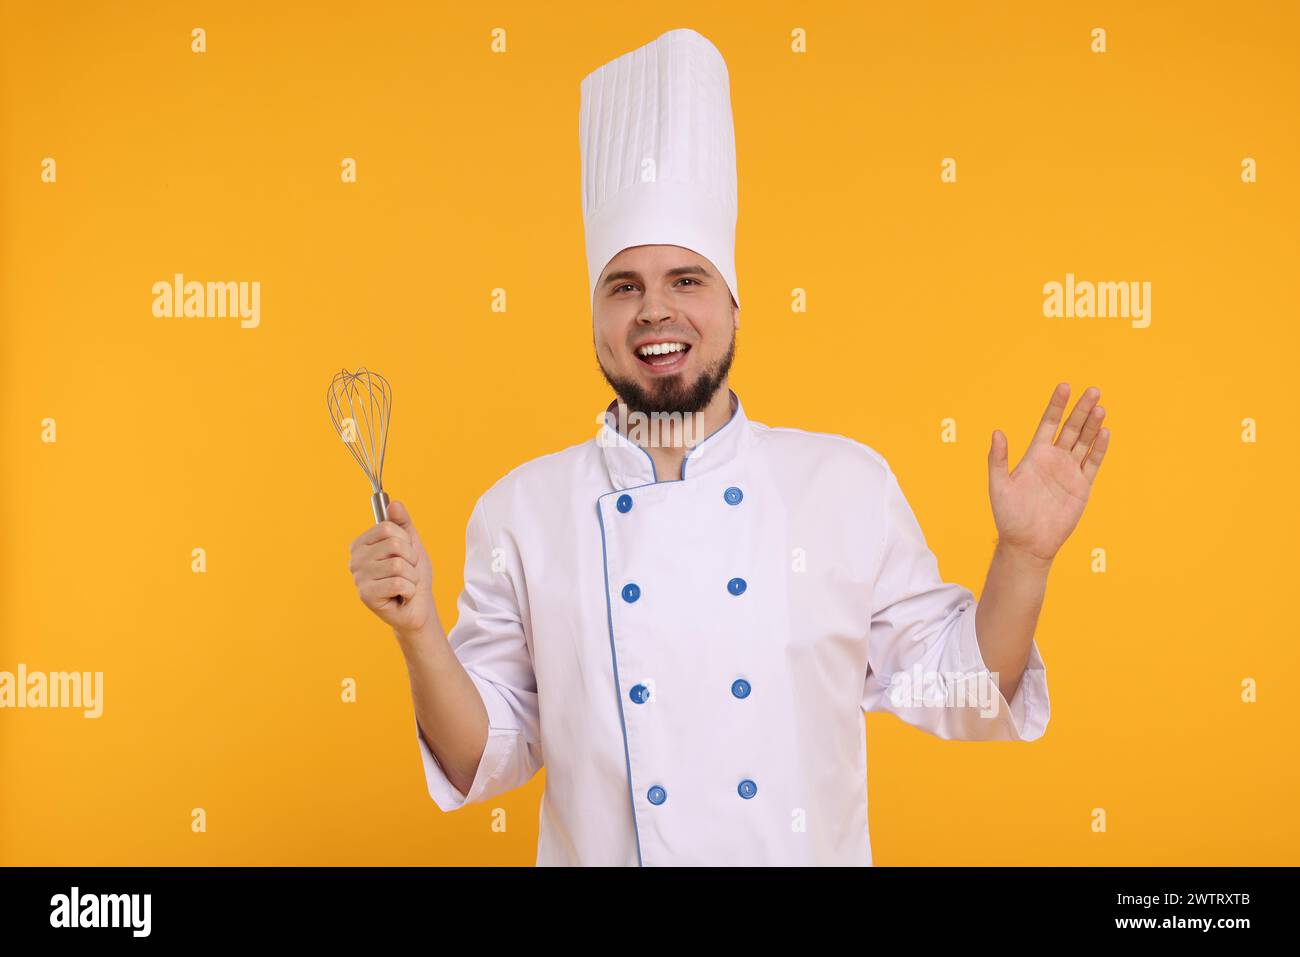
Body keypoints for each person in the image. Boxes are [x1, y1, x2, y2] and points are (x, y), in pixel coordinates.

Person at [347, 28, 1110, 866]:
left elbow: (965, 692)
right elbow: (478, 755)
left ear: (735, 304)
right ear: (595, 314)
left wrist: (1025, 556)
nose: (654, 312)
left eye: (687, 280)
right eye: (624, 285)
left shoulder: (842, 485)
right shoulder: (521, 511)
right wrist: (417, 630)